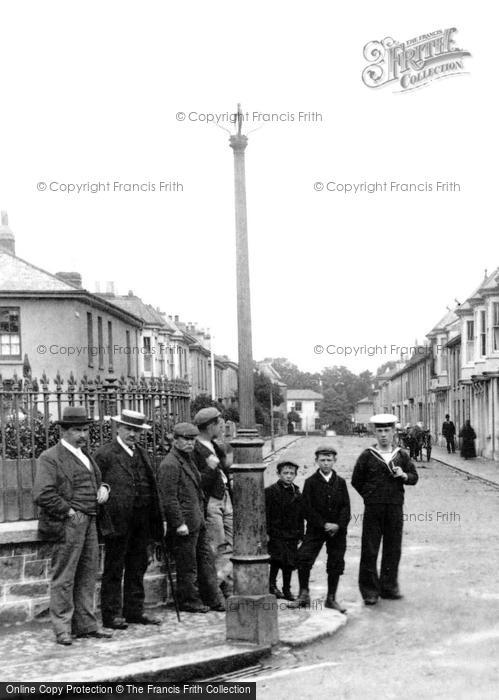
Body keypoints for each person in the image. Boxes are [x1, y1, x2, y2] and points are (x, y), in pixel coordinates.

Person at [33, 406, 112, 646]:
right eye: (78, 430)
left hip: (89, 520)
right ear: (64, 431)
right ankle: (62, 628)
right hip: (68, 522)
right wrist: (69, 511)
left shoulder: (85, 456)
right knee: (64, 577)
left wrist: (104, 488)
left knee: (88, 574)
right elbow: (42, 493)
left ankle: (86, 625)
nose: (83, 435)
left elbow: (97, 480)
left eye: (86, 430)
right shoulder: (50, 457)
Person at [93, 410, 163, 629]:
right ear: (119, 428)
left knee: (138, 565)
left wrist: (156, 520)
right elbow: (95, 484)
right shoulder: (104, 454)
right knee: (114, 567)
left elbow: (152, 487)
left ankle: (134, 610)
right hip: (117, 522)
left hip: (141, 521)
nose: (133, 434)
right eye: (129, 429)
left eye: (137, 430)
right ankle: (111, 614)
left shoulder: (142, 454)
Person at [352, 414, 418, 606]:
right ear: (374, 432)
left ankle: (388, 587)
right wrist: (370, 496)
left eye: (386, 431)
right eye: (379, 431)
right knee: (370, 549)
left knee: (393, 548)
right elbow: (357, 480)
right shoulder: (367, 455)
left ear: (393, 432)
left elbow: (414, 477)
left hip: (395, 507)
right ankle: (370, 591)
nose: (383, 435)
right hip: (373, 508)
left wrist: (404, 475)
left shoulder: (401, 455)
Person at [158, 422, 225, 613]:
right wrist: (178, 523)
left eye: (192, 440)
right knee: (188, 565)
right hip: (185, 524)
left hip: (197, 520)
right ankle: (189, 600)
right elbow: (168, 498)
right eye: (185, 439)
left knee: (206, 561)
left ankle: (213, 599)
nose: (190, 443)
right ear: (175, 440)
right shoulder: (170, 464)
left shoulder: (188, 460)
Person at [294, 445, 350, 613]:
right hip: (316, 529)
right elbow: (306, 508)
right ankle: (303, 594)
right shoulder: (310, 482)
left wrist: (338, 525)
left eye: (329, 460)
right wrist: (322, 524)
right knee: (303, 557)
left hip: (337, 531)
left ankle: (331, 598)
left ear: (334, 461)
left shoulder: (340, 482)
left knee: (336, 561)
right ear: (316, 461)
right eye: (322, 460)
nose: (326, 463)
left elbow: (346, 508)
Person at [192, 407, 233, 597]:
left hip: (224, 497)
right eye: (219, 424)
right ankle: (214, 591)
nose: (222, 427)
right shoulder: (195, 449)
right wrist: (210, 469)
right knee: (216, 546)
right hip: (210, 502)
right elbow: (196, 482)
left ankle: (227, 584)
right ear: (210, 426)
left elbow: (225, 470)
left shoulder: (215, 445)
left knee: (231, 544)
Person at [265, 460, 304, 601]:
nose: (288, 476)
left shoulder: (297, 492)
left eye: (291, 473)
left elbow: (301, 515)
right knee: (276, 560)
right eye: (285, 473)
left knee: (289, 563)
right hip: (276, 533)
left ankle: (286, 589)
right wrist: (267, 532)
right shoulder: (270, 491)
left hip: (292, 533)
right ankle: (272, 585)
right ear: (278, 474)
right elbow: (266, 514)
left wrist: (301, 533)